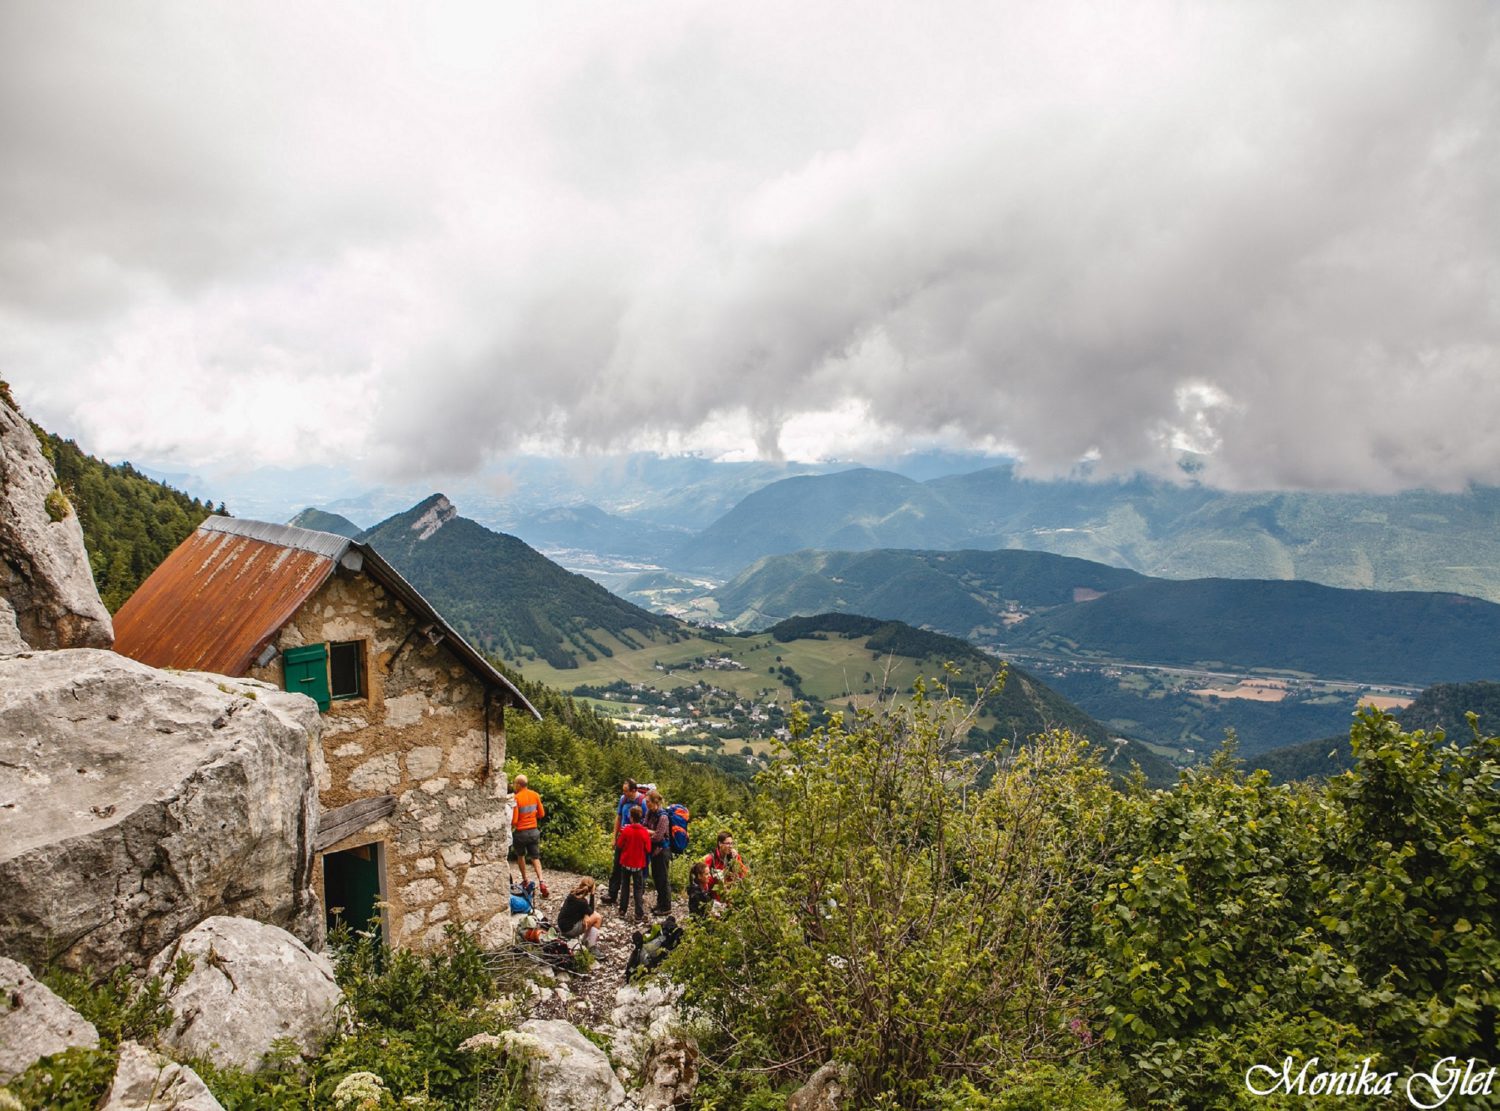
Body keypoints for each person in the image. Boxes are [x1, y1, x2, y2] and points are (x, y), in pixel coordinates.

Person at [603, 778, 645, 906]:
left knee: (637, 869)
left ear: (634, 791)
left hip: (635, 842)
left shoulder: (642, 802)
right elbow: (618, 817)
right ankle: (612, 894)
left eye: (626, 791)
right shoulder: (623, 799)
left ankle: (639, 896)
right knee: (617, 865)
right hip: (623, 838)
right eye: (623, 790)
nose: (624, 793)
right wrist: (614, 837)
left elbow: (646, 823)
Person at [510, 773, 548, 897]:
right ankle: (542, 882)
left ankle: (525, 880)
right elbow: (541, 814)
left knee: (521, 856)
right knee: (535, 857)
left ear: (519, 785)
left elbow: (515, 821)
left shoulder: (516, 798)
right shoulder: (535, 795)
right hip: (533, 831)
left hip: (521, 833)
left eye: (514, 783)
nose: (513, 786)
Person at [615, 804, 653, 923]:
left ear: (631, 817)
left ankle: (622, 910)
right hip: (638, 864)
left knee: (625, 886)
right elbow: (648, 849)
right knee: (638, 889)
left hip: (626, 863)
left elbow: (619, 845)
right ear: (640, 817)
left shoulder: (626, 830)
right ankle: (638, 914)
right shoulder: (644, 832)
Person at [644, 789, 672, 915]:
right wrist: (651, 832)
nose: (646, 803)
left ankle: (666, 907)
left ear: (655, 801)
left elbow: (658, 837)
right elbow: (644, 826)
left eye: (648, 801)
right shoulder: (650, 813)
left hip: (662, 851)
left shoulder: (663, 817)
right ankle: (660, 904)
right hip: (654, 851)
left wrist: (649, 833)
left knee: (663, 878)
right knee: (656, 877)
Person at [556, 876, 603, 952]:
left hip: (562, 925)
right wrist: (592, 894)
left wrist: (585, 915)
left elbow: (583, 911)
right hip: (569, 930)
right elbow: (591, 910)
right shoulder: (582, 902)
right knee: (598, 917)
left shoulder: (572, 894)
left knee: (590, 915)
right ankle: (591, 945)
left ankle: (585, 941)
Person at [702, 830, 748, 902]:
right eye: (728, 844)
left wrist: (736, 860)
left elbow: (743, 874)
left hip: (731, 897)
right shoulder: (711, 859)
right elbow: (702, 879)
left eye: (732, 844)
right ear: (720, 844)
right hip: (714, 898)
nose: (730, 846)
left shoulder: (734, 857)